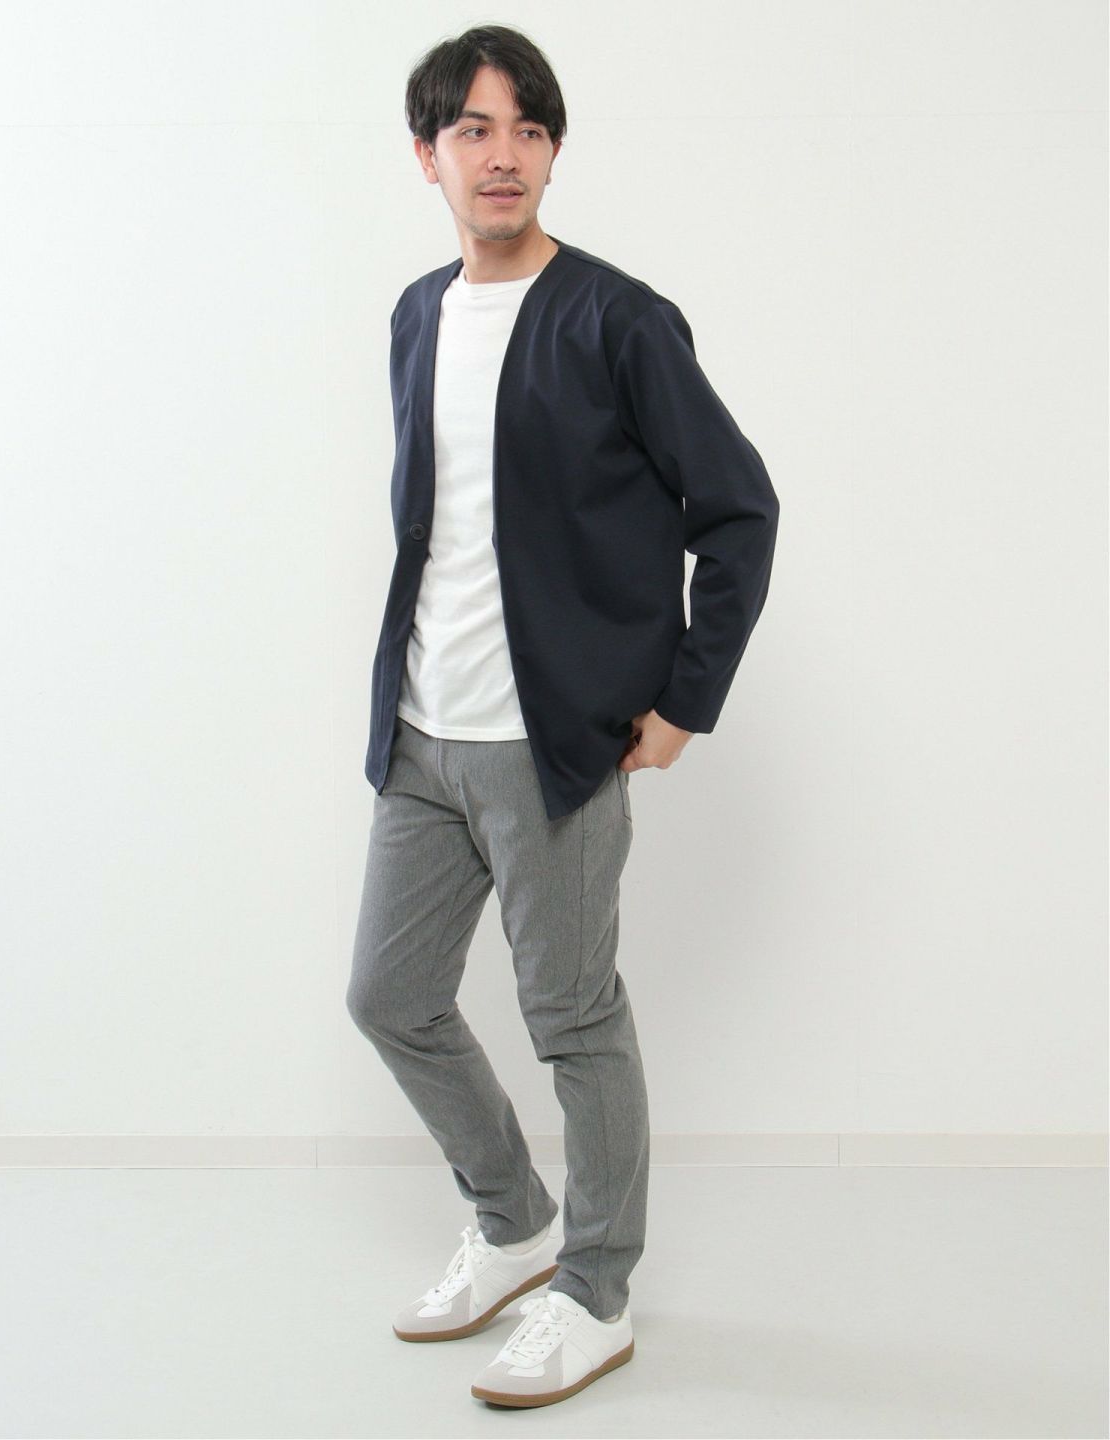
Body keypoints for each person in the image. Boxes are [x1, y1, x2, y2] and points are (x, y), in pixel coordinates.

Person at [346, 23, 779, 1409]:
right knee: (389, 997)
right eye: (474, 130)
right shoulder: (418, 314)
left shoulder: (619, 320)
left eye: (528, 130)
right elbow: (443, 527)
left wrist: (682, 704)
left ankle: (596, 1291)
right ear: (426, 155)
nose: (504, 155)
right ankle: (514, 1221)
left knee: (572, 1015)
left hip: (558, 746)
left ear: (551, 153)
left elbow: (739, 510)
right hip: (424, 736)